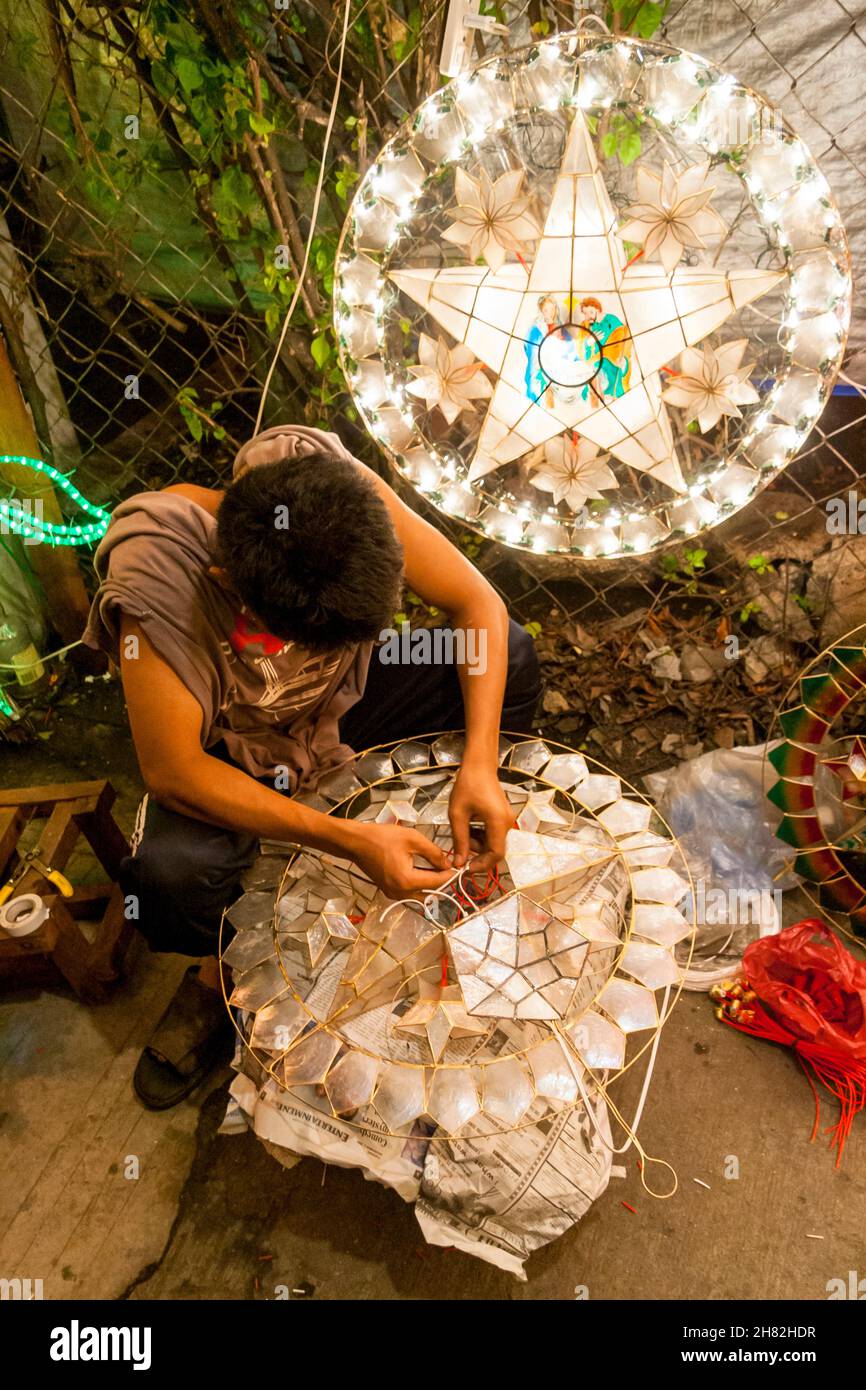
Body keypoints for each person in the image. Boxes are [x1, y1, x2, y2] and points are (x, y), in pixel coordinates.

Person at [83, 424, 542, 1109]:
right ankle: (220, 975)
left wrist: (479, 764)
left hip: (336, 711)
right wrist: (349, 842)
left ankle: (440, 826)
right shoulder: (159, 570)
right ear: (227, 585)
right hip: (231, 749)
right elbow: (173, 767)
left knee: (511, 654)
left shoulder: (325, 490)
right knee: (173, 878)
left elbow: (478, 604)